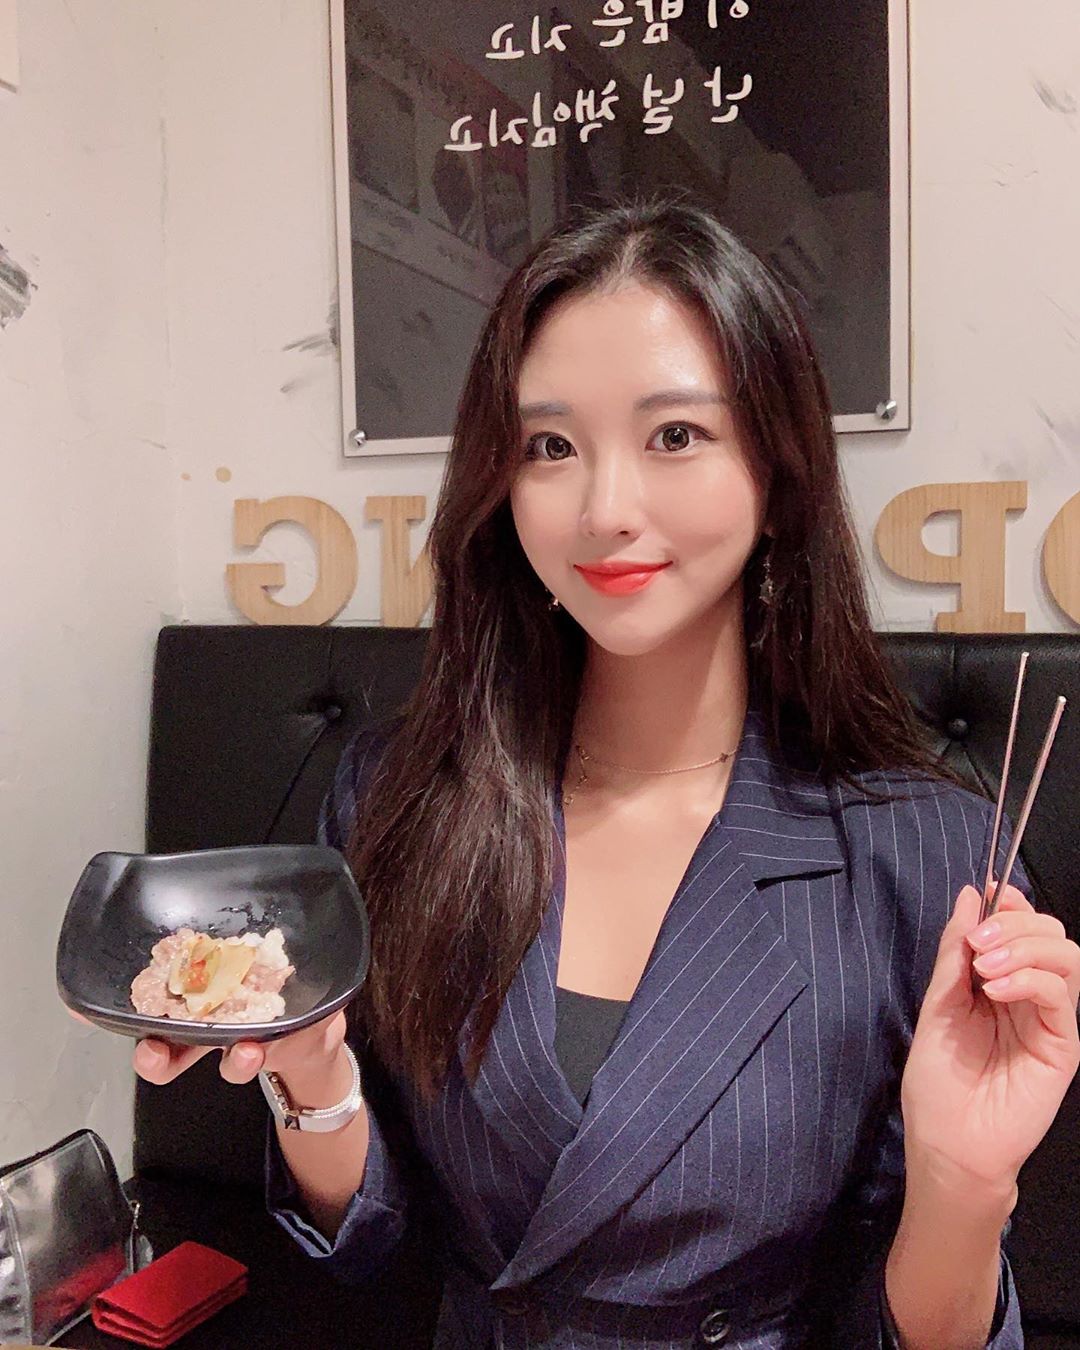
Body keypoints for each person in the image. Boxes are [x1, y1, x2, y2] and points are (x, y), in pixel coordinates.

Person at [132, 198, 1080, 1348]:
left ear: (776, 473)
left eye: (675, 435)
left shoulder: (926, 857)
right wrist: (311, 1073)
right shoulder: (397, 798)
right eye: (550, 447)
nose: (604, 510)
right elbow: (378, 1242)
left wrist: (964, 1185)